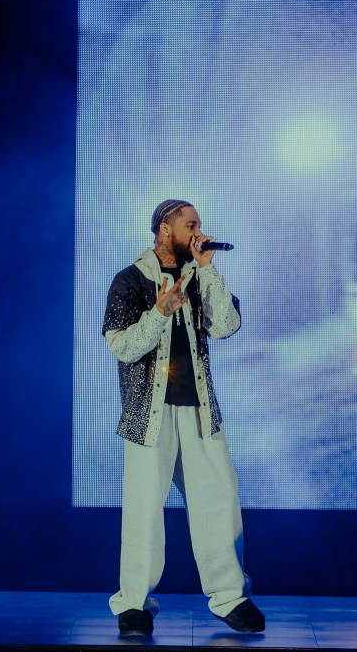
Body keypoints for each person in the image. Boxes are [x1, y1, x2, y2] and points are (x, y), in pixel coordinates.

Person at [103, 199, 264, 636]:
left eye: (200, 225)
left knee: (219, 500)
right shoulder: (131, 280)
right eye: (190, 224)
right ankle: (133, 603)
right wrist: (158, 312)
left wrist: (207, 268)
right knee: (144, 510)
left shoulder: (199, 277)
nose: (198, 231)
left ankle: (230, 595)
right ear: (162, 229)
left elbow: (227, 324)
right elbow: (122, 346)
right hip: (147, 415)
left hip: (199, 411)